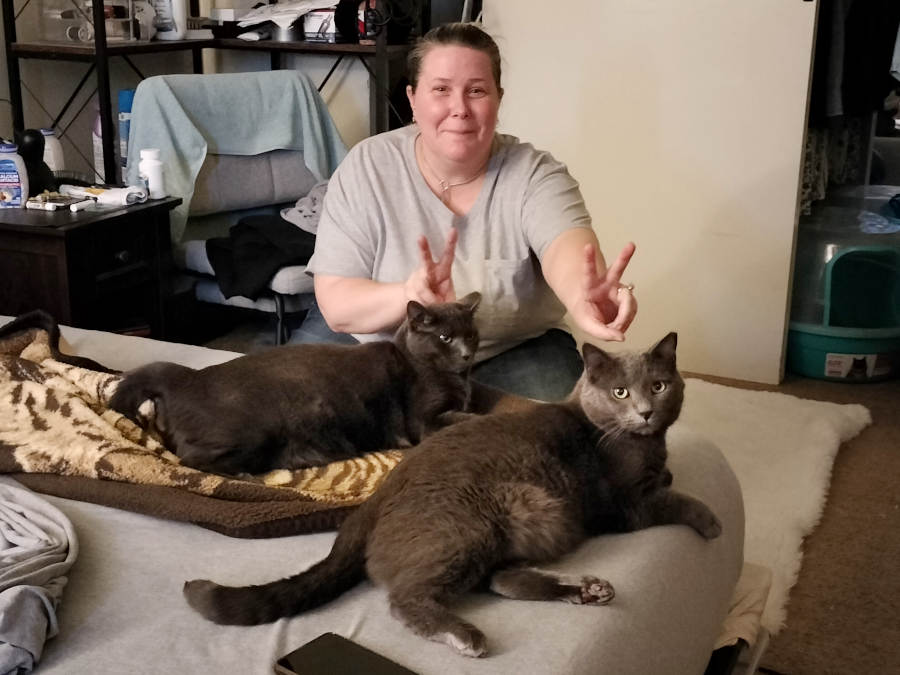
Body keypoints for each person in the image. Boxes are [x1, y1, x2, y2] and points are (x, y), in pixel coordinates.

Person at [301, 22, 637, 401]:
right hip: (378, 345)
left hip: (509, 350)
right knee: (292, 408)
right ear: (413, 99)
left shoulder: (537, 174)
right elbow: (338, 303)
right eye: (441, 90)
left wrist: (582, 295)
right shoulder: (367, 165)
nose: (459, 109)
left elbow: (566, 248)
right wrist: (409, 294)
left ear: (498, 99)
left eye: (476, 91)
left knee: (555, 430)